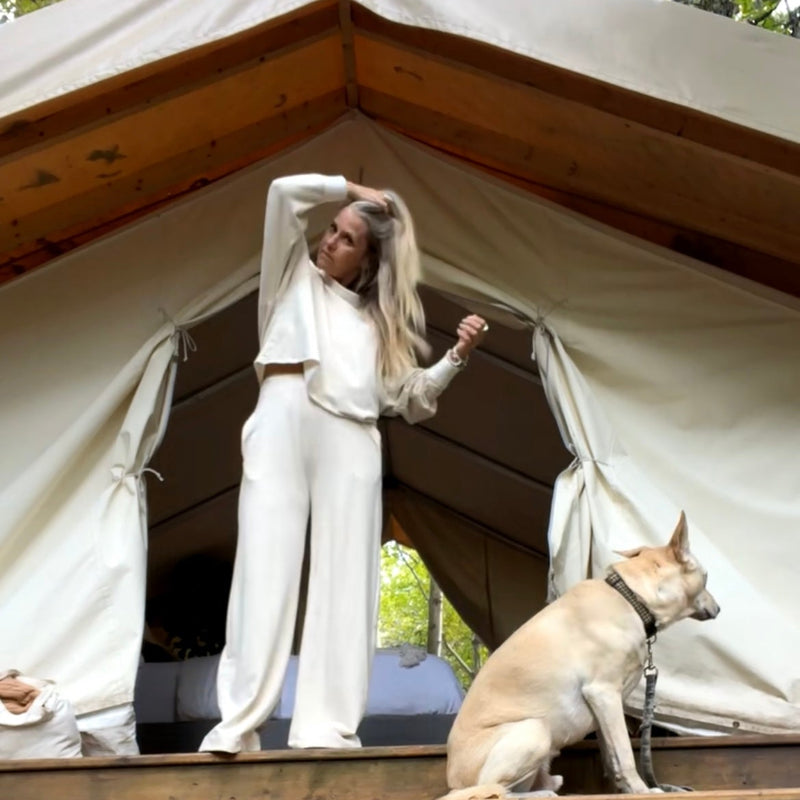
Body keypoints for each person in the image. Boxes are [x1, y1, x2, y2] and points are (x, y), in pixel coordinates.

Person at [199, 174, 487, 753]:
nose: (329, 241)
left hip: (352, 437)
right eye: (332, 229)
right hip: (280, 415)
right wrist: (351, 189)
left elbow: (410, 398)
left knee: (345, 579)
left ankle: (324, 728)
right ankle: (238, 725)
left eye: (347, 238)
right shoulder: (291, 277)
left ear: (368, 261)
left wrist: (457, 356)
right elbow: (282, 193)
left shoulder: (377, 326)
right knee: (262, 568)